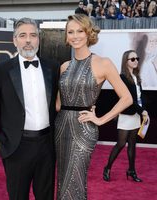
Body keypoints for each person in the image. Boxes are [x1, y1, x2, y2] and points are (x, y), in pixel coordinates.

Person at [55, 14, 132, 200]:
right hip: (60, 128)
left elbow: (127, 98)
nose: (75, 36)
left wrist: (100, 119)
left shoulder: (103, 63)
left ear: (88, 33)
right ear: (66, 36)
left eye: (80, 31)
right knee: (63, 178)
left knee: (76, 179)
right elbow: (58, 105)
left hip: (84, 128)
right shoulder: (64, 66)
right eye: (70, 32)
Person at [0, 18, 59, 200]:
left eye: (33, 35)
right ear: (14, 40)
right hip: (16, 147)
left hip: (47, 146)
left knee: (46, 196)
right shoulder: (2, 69)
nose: (28, 40)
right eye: (22, 35)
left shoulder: (52, 67)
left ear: (39, 39)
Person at [103, 50, 149, 182]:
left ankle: (131, 170)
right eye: (132, 59)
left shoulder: (137, 77)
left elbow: (140, 98)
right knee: (121, 143)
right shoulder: (122, 78)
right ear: (126, 61)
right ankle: (107, 167)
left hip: (136, 114)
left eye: (136, 58)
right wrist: (141, 111)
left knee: (133, 144)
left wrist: (143, 110)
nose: (135, 61)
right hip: (126, 114)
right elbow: (129, 99)